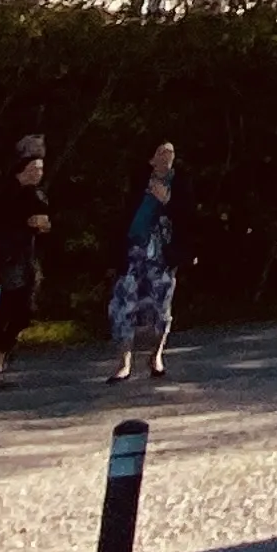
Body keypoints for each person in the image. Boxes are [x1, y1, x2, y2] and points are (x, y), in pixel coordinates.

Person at [0, 146, 56, 386]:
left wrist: (43, 226)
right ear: (22, 168)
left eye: (41, 168)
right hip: (5, 257)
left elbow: (45, 226)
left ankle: (2, 352)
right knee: (5, 306)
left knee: (26, 309)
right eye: (34, 168)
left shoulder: (38, 195)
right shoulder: (3, 192)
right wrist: (22, 224)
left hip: (28, 256)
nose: (39, 172)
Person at [105, 142, 182, 384]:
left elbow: (189, 219)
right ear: (151, 159)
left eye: (171, 152)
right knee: (124, 306)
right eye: (161, 152)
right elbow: (121, 217)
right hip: (133, 254)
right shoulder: (137, 183)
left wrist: (168, 200)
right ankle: (124, 363)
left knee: (161, 309)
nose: (167, 156)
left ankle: (156, 356)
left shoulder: (181, 184)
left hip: (162, 257)